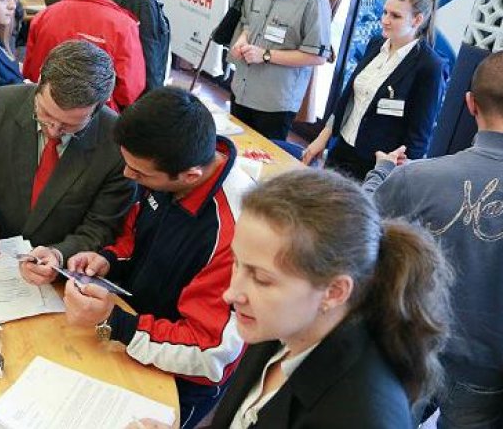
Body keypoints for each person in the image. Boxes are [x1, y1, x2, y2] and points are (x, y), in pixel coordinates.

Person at [24, 87, 251, 427]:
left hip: (177, 377)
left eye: (140, 174)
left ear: (190, 176)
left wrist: (114, 324)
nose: (129, 176)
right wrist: (107, 261)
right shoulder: (165, 162)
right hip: (128, 332)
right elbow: (134, 236)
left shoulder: (238, 235)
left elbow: (210, 355)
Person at [192, 169, 449, 427]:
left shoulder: (361, 417)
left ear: (335, 291)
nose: (231, 293)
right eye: (237, 263)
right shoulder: (283, 323)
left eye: (261, 278)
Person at [364, 52, 503, 428]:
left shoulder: (418, 179)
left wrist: (381, 173)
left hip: (412, 344)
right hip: (489, 369)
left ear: (470, 103)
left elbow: (357, 227)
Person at [0, 39, 134, 259]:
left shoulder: (115, 144)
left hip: (58, 275)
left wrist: (59, 255)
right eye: (45, 115)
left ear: (97, 109)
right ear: (40, 80)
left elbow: (101, 227)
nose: (53, 131)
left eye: (69, 126)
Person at [302, 0, 446, 180]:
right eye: (385, 12)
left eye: (395, 16)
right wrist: (323, 137)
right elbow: (348, 98)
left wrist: (396, 176)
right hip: (342, 149)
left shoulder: (429, 65)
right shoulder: (376, 44)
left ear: (417, 20)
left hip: (377, 166)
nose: (385, 20)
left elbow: (419, 136)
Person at [23, 0, 144, 112]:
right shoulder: (124, 27)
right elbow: (129, 92)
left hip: (48, 118)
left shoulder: (44, 18)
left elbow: (32, 74)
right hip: (100, 123)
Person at [229, 0, 332, 140]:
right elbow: (249, 24)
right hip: (242, 89)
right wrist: (242, 40)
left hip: (273, 104)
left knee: (265, 167)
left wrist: (265, 55)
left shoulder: (314, 0)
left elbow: (318, 56)